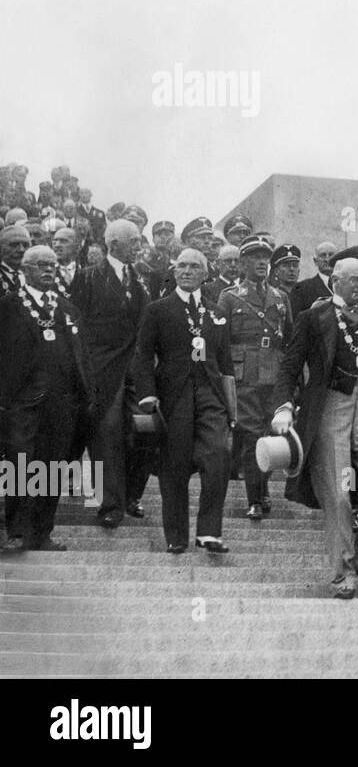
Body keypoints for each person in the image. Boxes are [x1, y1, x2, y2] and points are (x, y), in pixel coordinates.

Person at [272, 255, 358, 600]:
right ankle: (341, 572)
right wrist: (284, 405)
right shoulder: (314, 316)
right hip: (332, 410)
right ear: (336, 281)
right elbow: (289, 366)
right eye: (355, 279)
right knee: (339, 494)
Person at [132, 248, 236, 554]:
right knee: (174, 466)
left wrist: (232, 408)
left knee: (218, 456)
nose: (187, 271)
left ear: (205, 273)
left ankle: (209, 532)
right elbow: (142, 356)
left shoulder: (217, 312)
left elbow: (225, 363)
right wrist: (147, 394)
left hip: (210, 394)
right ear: (174, 272)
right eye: (182, 267)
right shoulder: (158, 309)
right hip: (173, 395)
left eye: (194, 267)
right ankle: (176, 535)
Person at [0, 246, 94, 551]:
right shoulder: (8, 306)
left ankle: (42, 533)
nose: (49, 270)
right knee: (20, 464)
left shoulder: (67, 308)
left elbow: (82, 354)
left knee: (52, 466)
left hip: (61, 400)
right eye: (41, 265)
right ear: (26, 269)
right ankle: (16, 531)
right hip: (21, 400)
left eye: (53, 265)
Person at [69, 219, 154, 527]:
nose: (139, 245)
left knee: (147, 432)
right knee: (107, 437)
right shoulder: (88, 278)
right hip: (103, 370)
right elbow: (75, 326)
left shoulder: (144, 276)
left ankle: (132, 495)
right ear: (114, 244)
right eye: (134, 241)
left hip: (138, 369)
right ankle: (110, 505)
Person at [216, 236, 291, 519]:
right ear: (243, 264)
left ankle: (263, 487)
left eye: (265, 258)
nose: (262, 263)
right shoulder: (229, 297)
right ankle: (255, 498)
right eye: (255, 258)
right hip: (244, 375)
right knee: (250, 436)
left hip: (274, 374)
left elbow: (290, 340)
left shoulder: (280, 297)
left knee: (273, 435)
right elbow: (219, 341)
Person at [289, 241, 338, 317]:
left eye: (331, 255)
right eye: (323, 255)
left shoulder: (346, 285)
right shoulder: (301, 288)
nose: (327, 259)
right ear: (315, 261)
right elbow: (297, 320)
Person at [0, 224, 33, 296]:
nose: (21, 250)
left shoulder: (36, 274)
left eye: (26, 245)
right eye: (14, 245)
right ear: (1, 248)